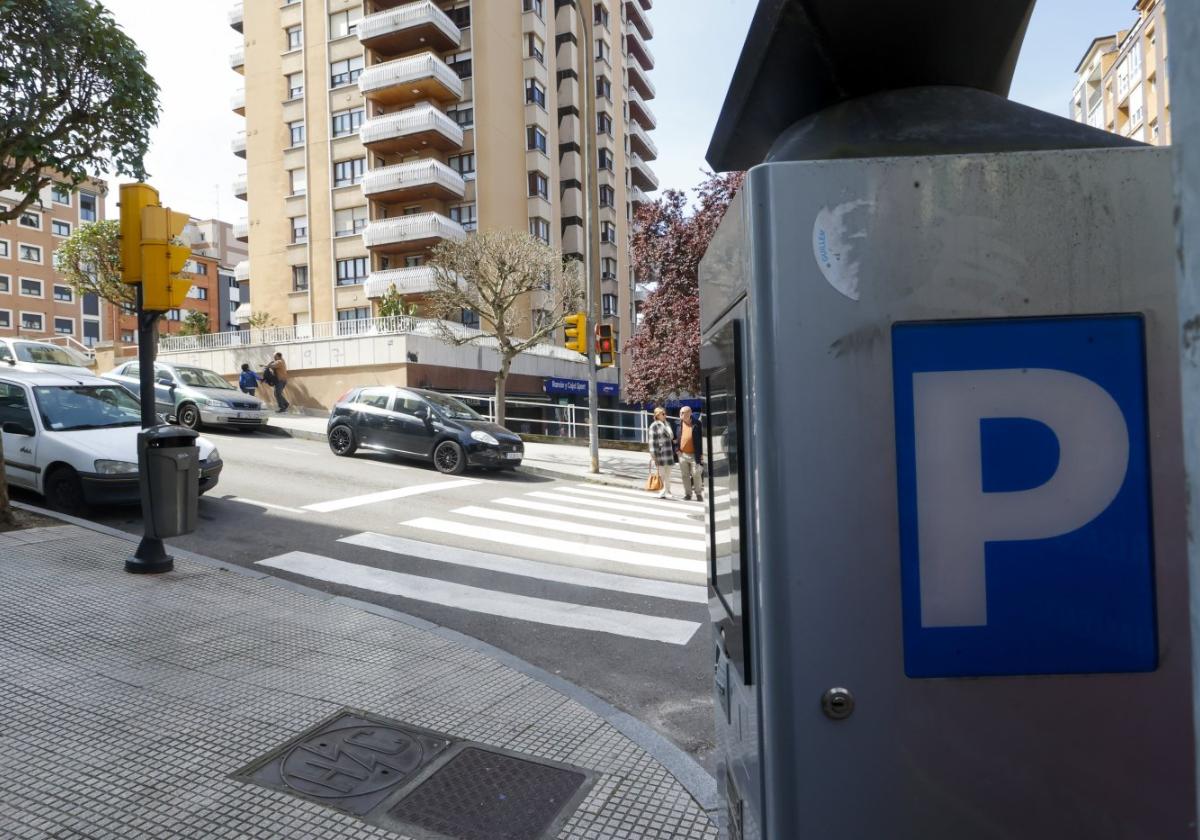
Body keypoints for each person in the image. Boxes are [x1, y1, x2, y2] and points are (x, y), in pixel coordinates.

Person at [674, 405, 704, 502]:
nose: (681, 415)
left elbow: (702, 439)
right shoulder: (678, 424)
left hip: (694, 454)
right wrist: (677, 450)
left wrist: (702, 453)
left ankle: (698, 494)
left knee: (696, 474)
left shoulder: (697, 424)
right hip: (682, 454)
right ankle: (688, 494)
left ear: (689, 413)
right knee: (685, 475)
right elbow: (675, 439)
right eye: (680, 413)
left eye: (683, 413)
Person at [648, 406, 677, 499]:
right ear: (657, 415)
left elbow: (671, 437)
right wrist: (654, 456)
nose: (665, 415)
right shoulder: (654, 425)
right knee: (662, 474)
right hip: (660, 454)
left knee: (668, 474)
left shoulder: (667, 424)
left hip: (668, 453)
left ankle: (667, 491)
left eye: (665, 413)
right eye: (663, 414)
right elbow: (652, 442)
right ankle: (662, 490)